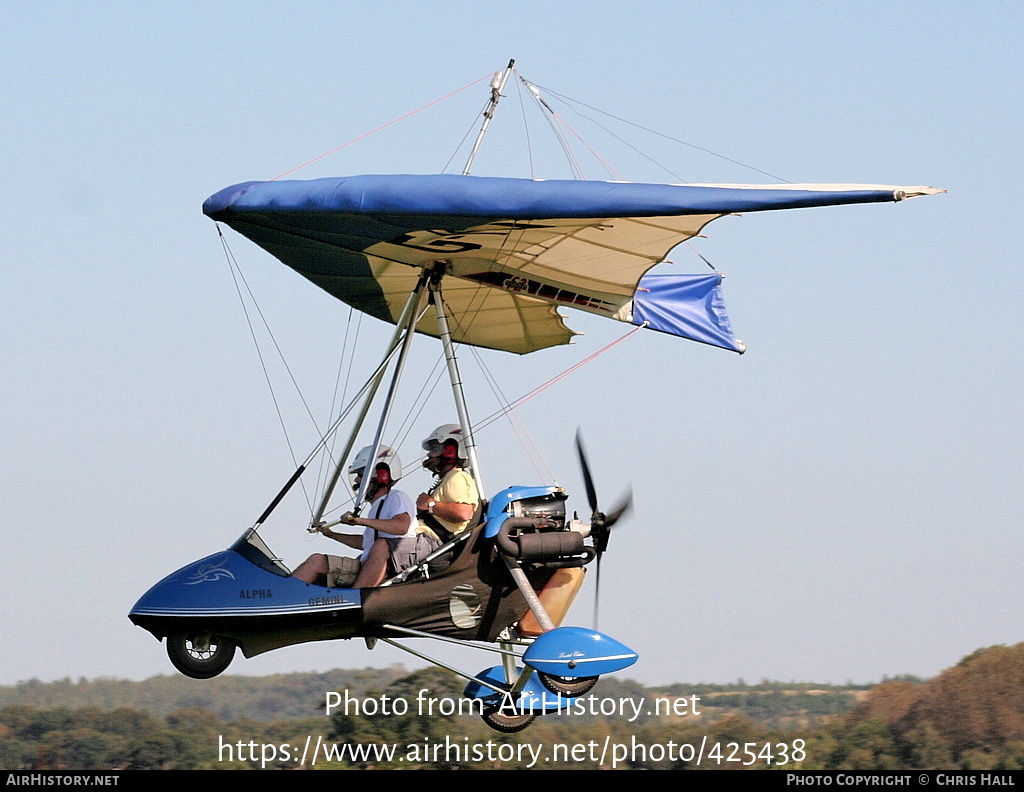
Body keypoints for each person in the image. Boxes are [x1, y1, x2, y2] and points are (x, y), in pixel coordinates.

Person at [292, 445, 438, 588]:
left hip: (391, 565)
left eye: (361, 475)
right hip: (366, 564)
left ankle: (357, 597)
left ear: (381, 475)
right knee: (317, 561)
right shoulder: (375, 507)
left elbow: (401, 527)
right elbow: (366, 542)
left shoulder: (396, 497)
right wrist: (331, 534)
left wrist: (360, 521)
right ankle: (285, 596)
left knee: (378, 545)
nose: (357, 480)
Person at [416, 424, 480, 542]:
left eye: (434, 450)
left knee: (383, 545)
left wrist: (430, 504)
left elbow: (464, 513)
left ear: (450, 451)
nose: (429, 455)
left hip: (434, 540)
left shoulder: (457, 477)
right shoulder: (448, 478)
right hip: (425, 538)